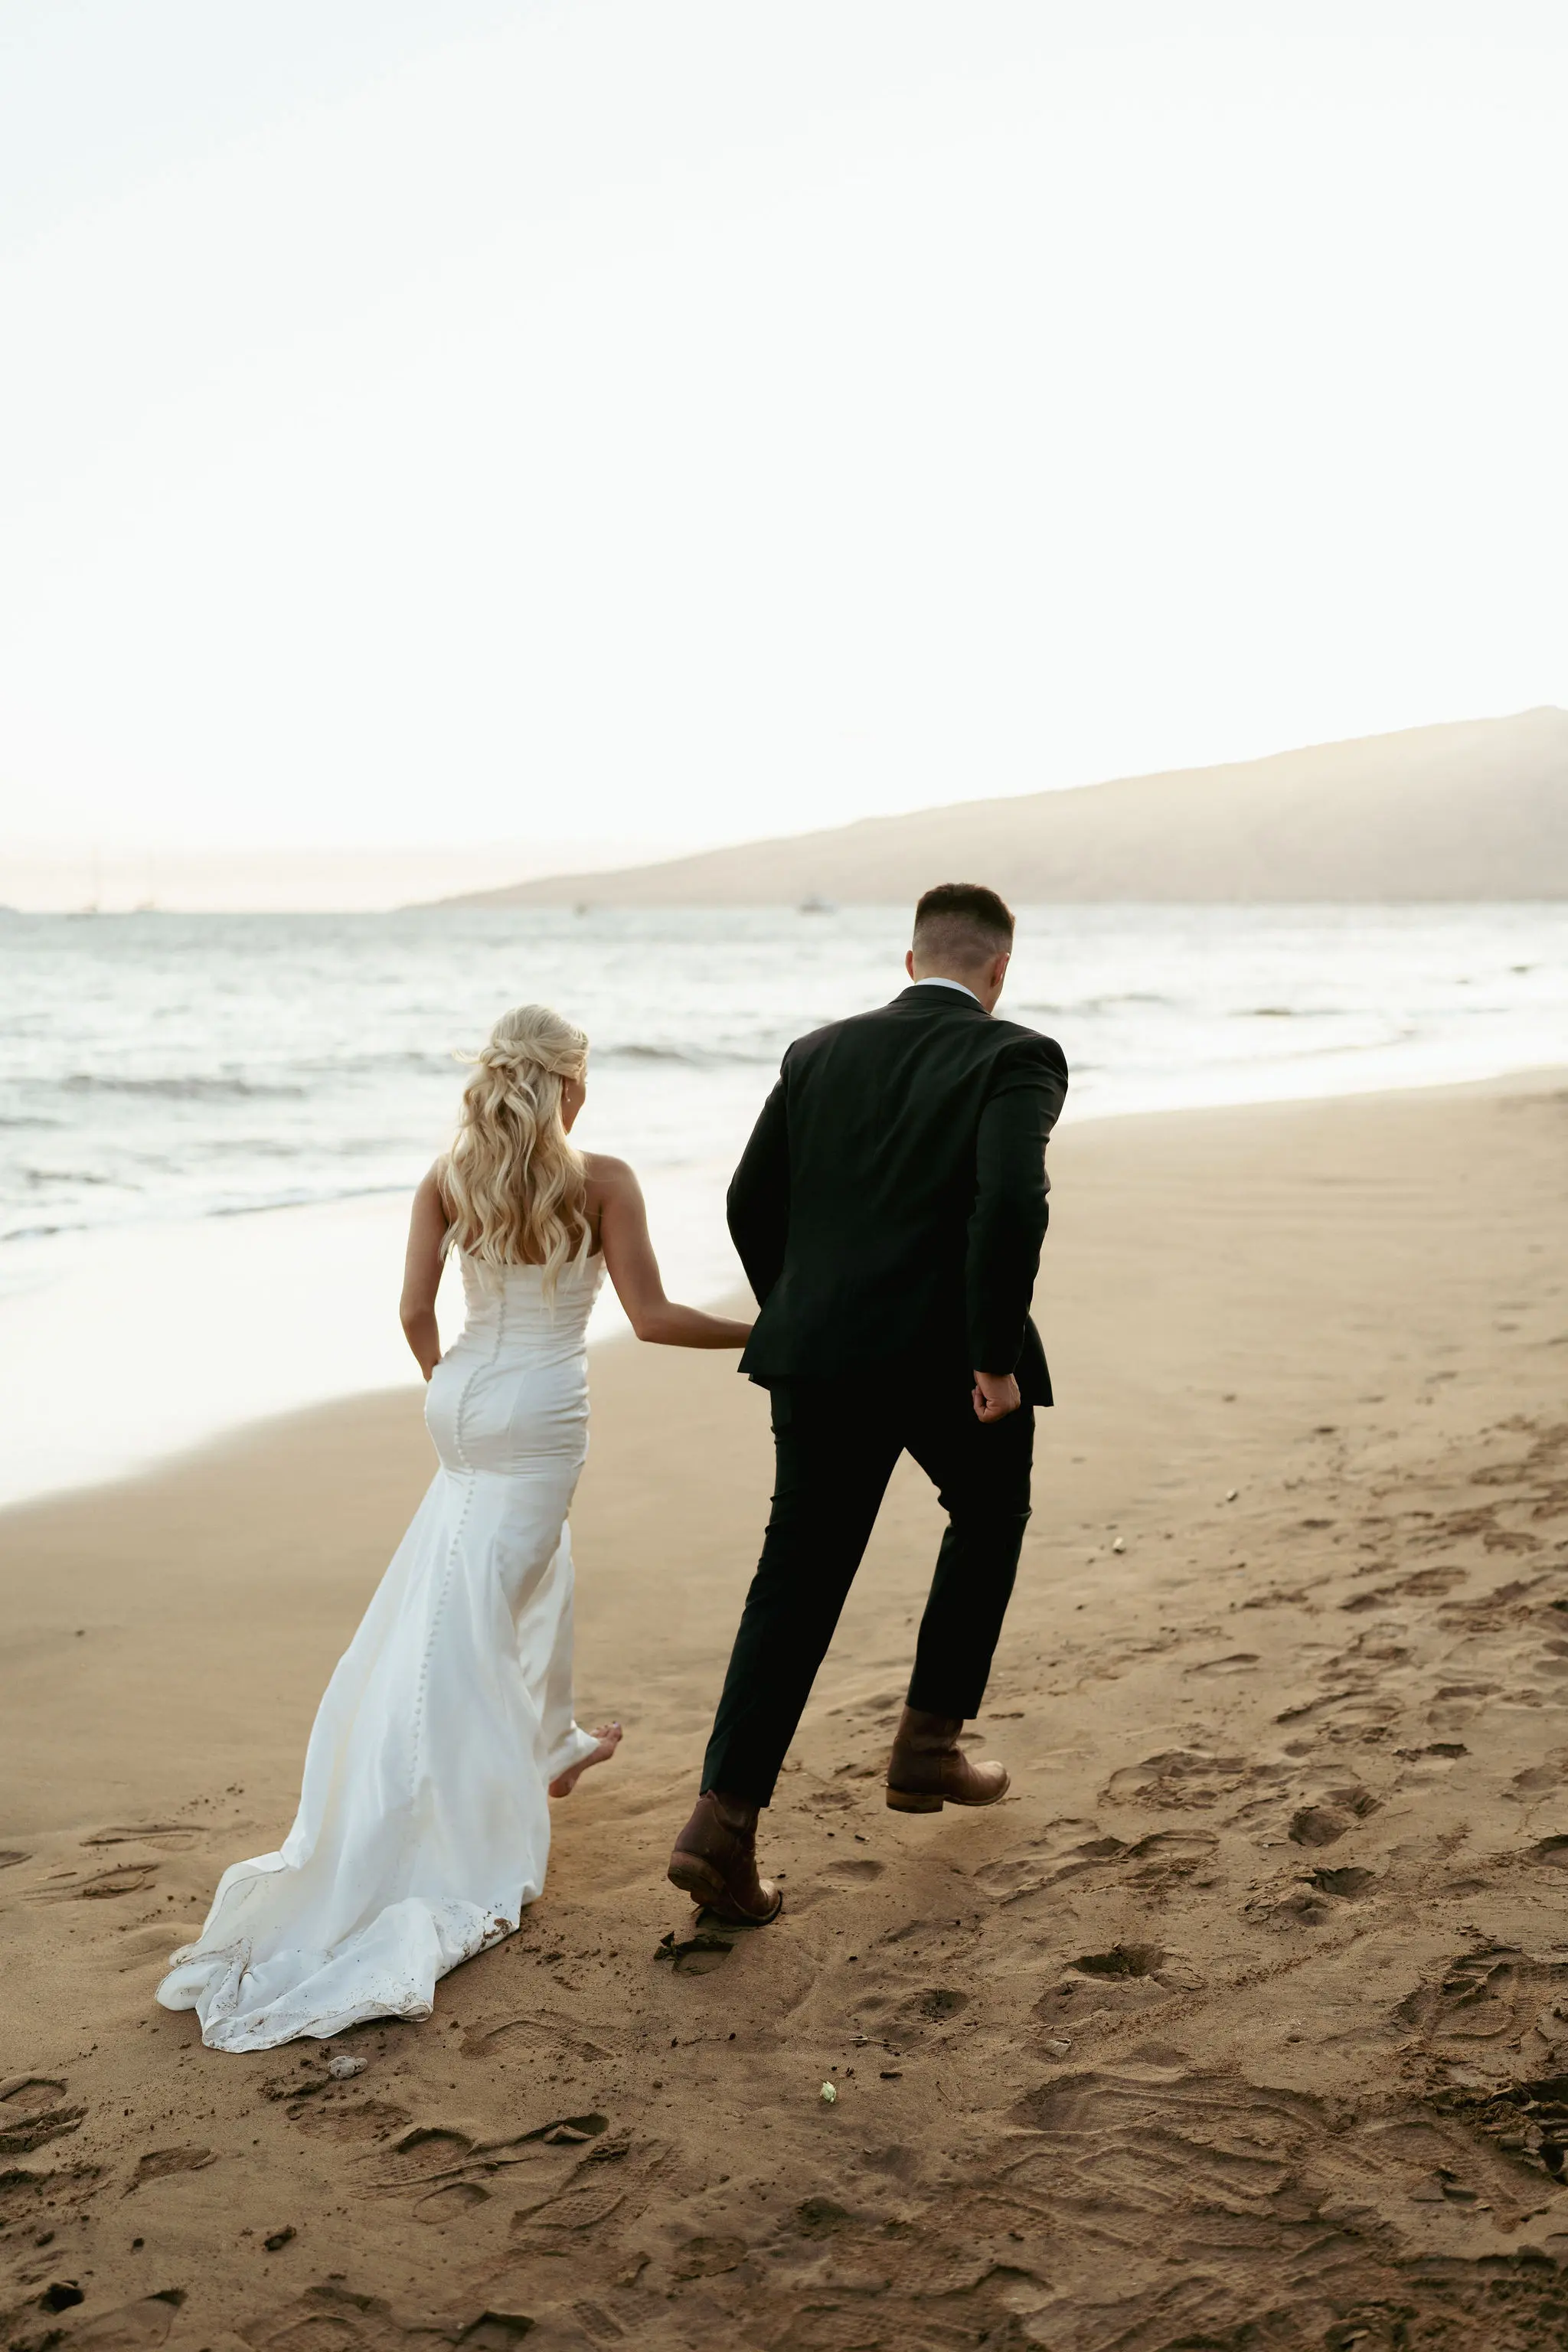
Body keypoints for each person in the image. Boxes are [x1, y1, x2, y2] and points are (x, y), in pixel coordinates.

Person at [158, 1003, 750, 2051]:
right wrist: (769, 1331)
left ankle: (552, 1737)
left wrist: (453, 1388)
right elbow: (654, 1320)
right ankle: (463, 1801)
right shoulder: (601, 1177)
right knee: (474, 1610)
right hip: (540, 1413)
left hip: (465, 1393)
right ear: (569, 1082)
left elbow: (412, 1310)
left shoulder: (449, 1176)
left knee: (498, 1572)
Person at [667, 883, 1068, 1925]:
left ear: (909, 961)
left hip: (819, 1355)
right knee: (990, 1511)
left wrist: (798, 1313)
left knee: (794, 1579)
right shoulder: (1014, 1054)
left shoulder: (816, 1053)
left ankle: (722, 1823)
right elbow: (1011, 1202)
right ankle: (928, 1745)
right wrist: (991, 1355)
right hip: (948, 1362)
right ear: (998, 970)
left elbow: (750, 1201)